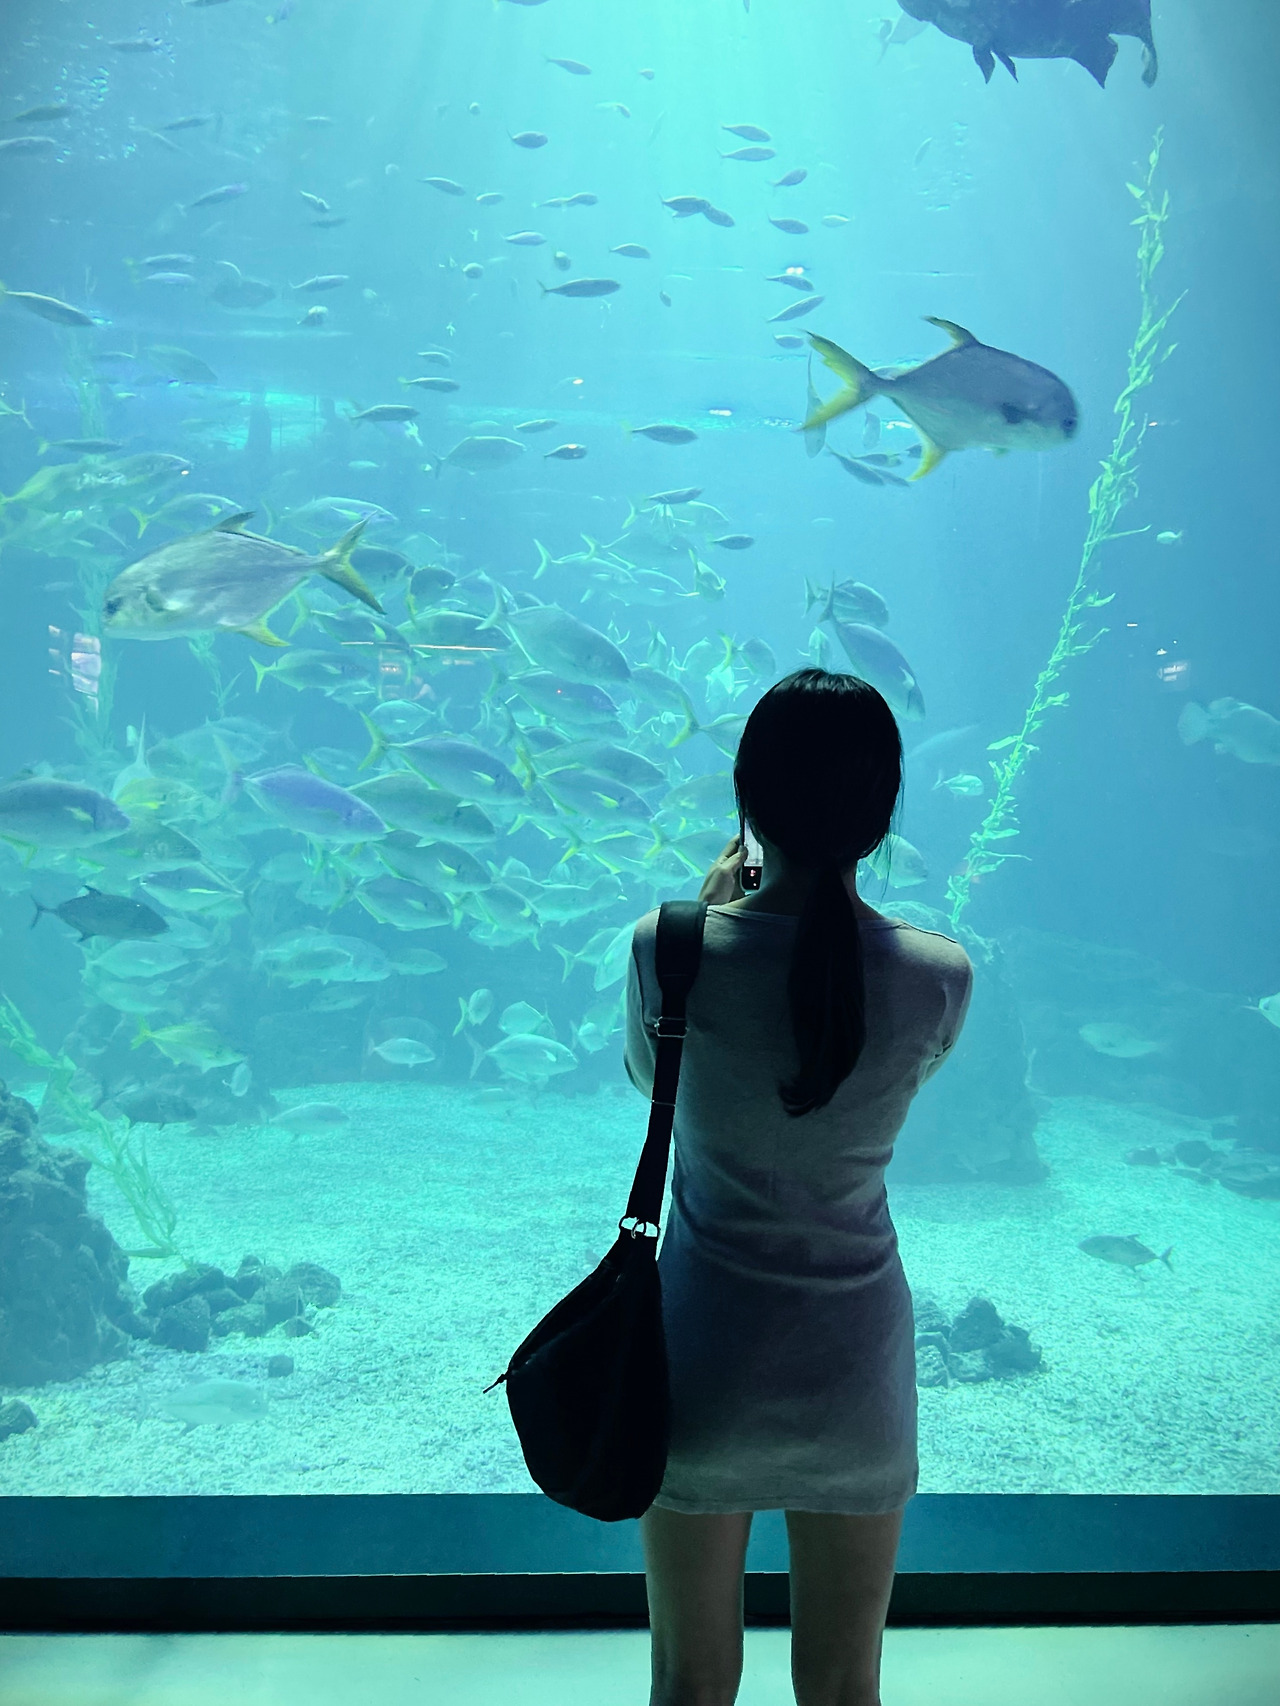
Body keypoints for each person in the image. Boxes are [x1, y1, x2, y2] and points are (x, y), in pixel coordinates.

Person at [625, 669, 973, 1706]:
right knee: (842, 1683)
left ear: (745, 795)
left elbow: (652, 1084)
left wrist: (712, 913)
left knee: (689, 1681)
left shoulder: (668, 950)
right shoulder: (939, 975)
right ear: (882, 811)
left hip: (697, 1368)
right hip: (856, 1375)